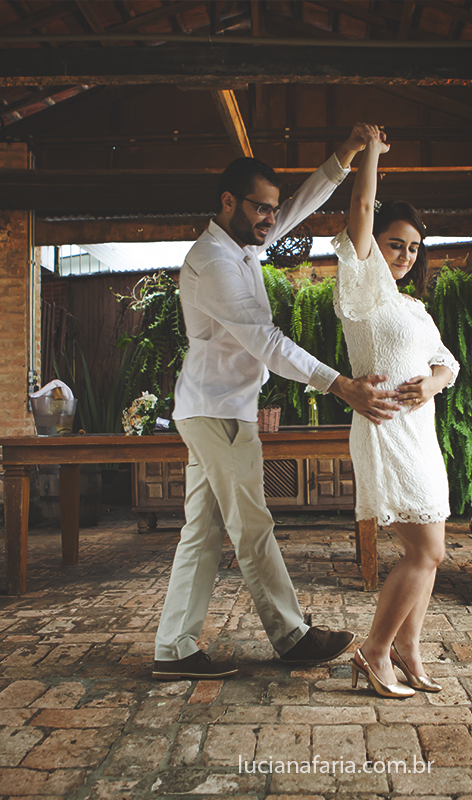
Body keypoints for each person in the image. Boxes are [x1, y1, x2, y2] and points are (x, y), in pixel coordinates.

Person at [152, 124, 402, 681]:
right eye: (259, 208)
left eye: (271, 210)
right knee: (253, 525)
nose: (270, 218)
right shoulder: (214, 262)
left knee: (204, 530)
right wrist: (340, 385)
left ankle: (173, 649)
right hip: (217, 412)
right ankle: (291, 636)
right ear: (227, 202)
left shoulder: (242, 243)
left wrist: (348, 151)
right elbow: (265, 340)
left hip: (217, 408)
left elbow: (300, 202)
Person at [332, 126, 459, 699]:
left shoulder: (414, 308)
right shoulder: (363, 288)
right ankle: (375, 650)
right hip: (385, 429)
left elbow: (447, 364)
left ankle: (408, 648)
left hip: (420, 433)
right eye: (394, 243)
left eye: (412, 247)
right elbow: (361, 203)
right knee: (425, 550)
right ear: (373, 245)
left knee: (427, 550)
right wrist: (372, 153)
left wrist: (432, 383)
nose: (404, 255)